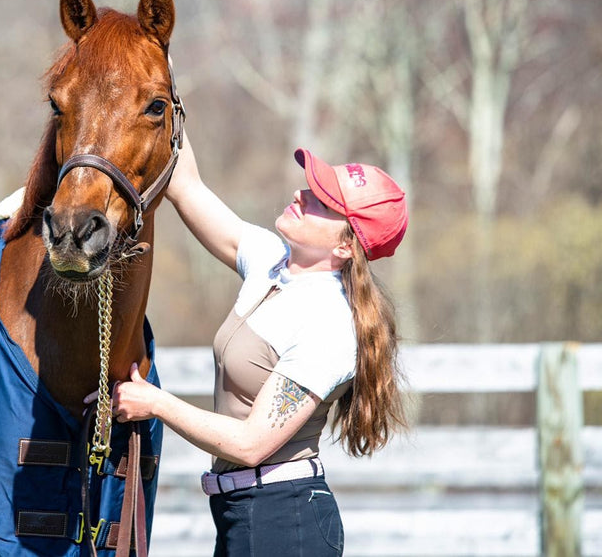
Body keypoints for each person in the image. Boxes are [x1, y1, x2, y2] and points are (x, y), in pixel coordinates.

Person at [88, 130, 409, 556]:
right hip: (243, 512)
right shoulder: (272, 261)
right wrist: (163, 92)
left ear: (346, 244)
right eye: (311, 187)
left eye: (322, 202)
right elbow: (186, 188)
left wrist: (155, 404)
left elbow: (251, 444)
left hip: (283, 520)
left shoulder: (330, 323)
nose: (302, 193)